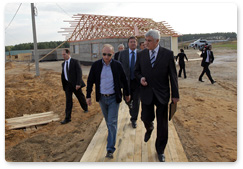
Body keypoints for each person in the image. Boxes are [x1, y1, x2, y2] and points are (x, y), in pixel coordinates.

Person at [134, 30, 179, 162]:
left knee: (163, 124)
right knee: (145, 117)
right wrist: (141, 78)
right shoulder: (141, 55)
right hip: (146, 93)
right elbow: (136, 71)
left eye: (149, 41)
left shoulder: (168, 54)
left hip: (162, 95)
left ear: (157, 41)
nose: (145, 43)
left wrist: (175, 95)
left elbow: (173, 76)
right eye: (145, 40)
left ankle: (160, 150)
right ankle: (149, 127)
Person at [86, 44, 130, 159]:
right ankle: (111, 134)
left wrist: (127, 93)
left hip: (113, 98)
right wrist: (88, 96)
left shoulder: (117, 65)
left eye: (109, 54)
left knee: (112, 122)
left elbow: (124, 80)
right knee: (108, 121)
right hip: (102, 98)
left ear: (113, 54)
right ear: (102, 53)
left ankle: (110, 149)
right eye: (104, 54)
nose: (106, 57)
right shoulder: (96, 65)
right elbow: (90, 80)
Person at [61, 49, 88, 124]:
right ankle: (67, 118)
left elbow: (79, 73)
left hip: (75, 84)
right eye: (62, 54)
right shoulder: (63, 64)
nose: (63, 56)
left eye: (64, 54)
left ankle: (85, 107)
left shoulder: (75, 62)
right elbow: (64, 75)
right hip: (67, 85)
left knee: (80, 97)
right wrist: (64, 85)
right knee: (68, 101)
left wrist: (78, 83)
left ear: (68, 53)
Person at [118, 36, 140, 128]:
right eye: (131, 42)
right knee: (126, 99)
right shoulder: (123, 54)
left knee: (137, 101)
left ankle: (134, 119)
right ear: (128, 44)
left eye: (134, 42)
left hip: (137, 82)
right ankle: (130, 107)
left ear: (137, 43)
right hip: (126, 82)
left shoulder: (141, 53)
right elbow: (118, 67)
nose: (133, 43)